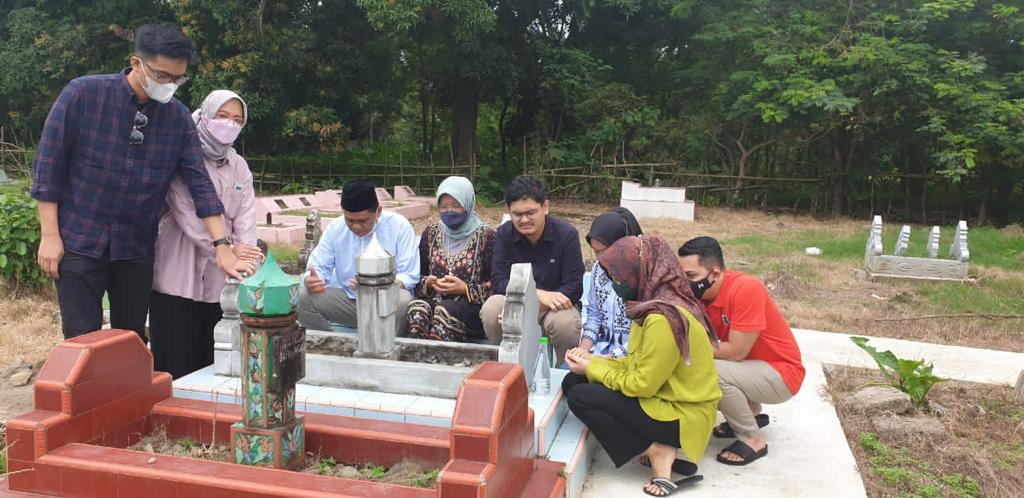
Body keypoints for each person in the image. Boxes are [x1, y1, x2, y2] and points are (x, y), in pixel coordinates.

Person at [30, 23, 245, 341]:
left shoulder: (178, 120)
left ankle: (121, 392)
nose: (169, 85)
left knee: (129, 339)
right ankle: (85, 393)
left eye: (177, 78)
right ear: (136, 63)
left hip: (136, 248)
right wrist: (50, 236)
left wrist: (222, 245)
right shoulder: (83, 94)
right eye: (162, 76)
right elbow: (49, 168)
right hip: (80, 239)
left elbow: (200, 186)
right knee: (80, 339)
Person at [562, 236, 720, 497]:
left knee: (581, 396)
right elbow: (639, 362)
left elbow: (642, 385)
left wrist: (593, 369)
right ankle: (655, 444)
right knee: (574, 382)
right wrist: (597, 361)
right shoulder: (650, 304)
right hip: (665, 396)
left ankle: (657, 450)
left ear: (641, 272)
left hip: (682, 414)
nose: (616, 285)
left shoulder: (662, 317)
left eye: (620, 277)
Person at [150, 90, 262, 379]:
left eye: (238, 120)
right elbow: (187, 213)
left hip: (221, 277)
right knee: (175, 355)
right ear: (206, 115)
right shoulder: (182, 156)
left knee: (213, 354)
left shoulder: (239, 166)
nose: (229, 125)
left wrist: (244, 254)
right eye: (222, 117)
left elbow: (246, 215)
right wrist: (223, 251)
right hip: (179, 267)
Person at [677, 236, 805, 466]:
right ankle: (751, 411)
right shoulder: (701, 296)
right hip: (750, 370)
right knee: (696, 364)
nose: (685, 284)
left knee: (709, 371)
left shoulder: (746, 288)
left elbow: (736, 352)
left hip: (781, 374)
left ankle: (753, 439)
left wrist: (687, 346)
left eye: (691, 277)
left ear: (714, 273)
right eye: (682, 276)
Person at [480, 175, 585, 363]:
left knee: (566, 324)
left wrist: (539, 303)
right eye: (517, 214)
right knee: (491, 308)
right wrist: (535, 296)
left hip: (555, 307)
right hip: (517, 300)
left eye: (530, 212)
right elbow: (498, 281)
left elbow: (574, 286)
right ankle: (504, 361)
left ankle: (562, 372)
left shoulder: (567, 235)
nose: (524, 219)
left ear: (545, 207)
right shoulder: (503, 235)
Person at [298, 180, 419, 334]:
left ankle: (388, 352)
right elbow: (319, 268)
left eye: (363, 221)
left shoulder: (399, 226)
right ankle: (332, 346)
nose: (356, 226)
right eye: (350, 220)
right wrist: (312, 279)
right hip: (350, 302)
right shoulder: (336, 229)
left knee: (403, 300)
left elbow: (409, 276)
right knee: (303, 296)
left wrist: (377, 284)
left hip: (385, 302)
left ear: (378, 211)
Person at [407, 176, 495, 342]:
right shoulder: (431, 233)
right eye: (444, 206)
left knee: (444, 310)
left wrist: (465, 289)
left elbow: (495, 286)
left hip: (471, 309)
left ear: (468, 204)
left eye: (456, 205)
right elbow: (416, 277)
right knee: (417, 308)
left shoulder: (488, 237)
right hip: (434, 300)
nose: (449, 211)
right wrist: (429, 282)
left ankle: (438, 360)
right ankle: (415, 358)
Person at [580, 208, 643, 357]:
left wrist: (604, 360)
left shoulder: (644, 275)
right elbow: (594, 315)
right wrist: (582, 351)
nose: (601, 258)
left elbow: (643, 338)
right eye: (596, 252)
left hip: (632, 357)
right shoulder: (598, 270)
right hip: (601, 352)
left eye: (605, 251)